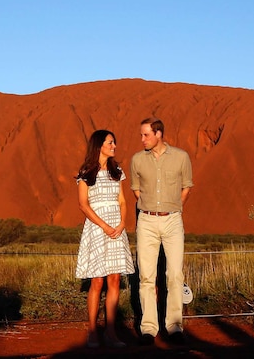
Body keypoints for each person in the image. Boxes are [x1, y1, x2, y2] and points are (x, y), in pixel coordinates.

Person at [130, 117, 193, 345]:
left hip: (173, 220)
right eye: (141, 135)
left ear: (158, 134)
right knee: (146, 276)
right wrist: (150, 208)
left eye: (146, 135)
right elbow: (136, 191)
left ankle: (174, 326)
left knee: (175, 274)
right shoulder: (137, 160)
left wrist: (173, 207)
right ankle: (148, 328)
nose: (142, 139)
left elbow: (187, 186)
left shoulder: (181, 157)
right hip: (146, 220)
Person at [74, 129, 136, 348]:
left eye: (114, 142)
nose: (114, 146)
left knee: (115, 280)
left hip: (116, 229)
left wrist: (121, 224)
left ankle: (111, 332)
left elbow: (122, 201)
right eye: (110, 142)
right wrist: (104, 225)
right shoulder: (86, 171)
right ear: (99, 145)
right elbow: (83, 204)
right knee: (97, 281)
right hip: (97, 228)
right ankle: (92, 332)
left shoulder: (116, 170)